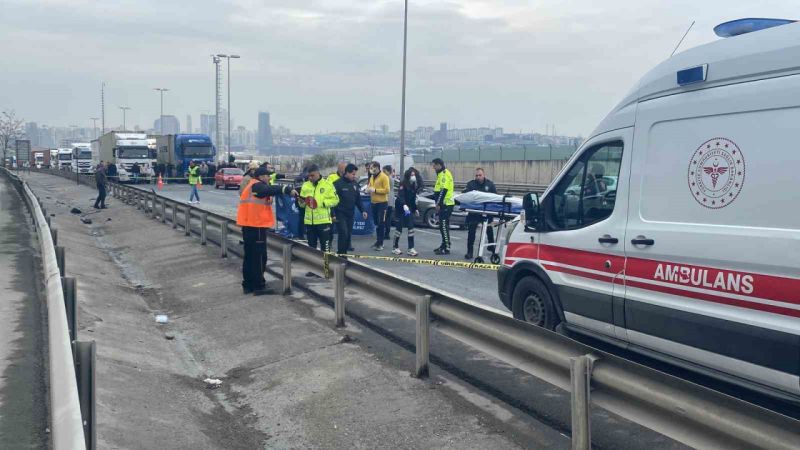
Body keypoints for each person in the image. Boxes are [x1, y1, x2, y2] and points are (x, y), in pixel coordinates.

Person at [237, 166, 298, 295]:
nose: (269, 178)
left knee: (249, 257)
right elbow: (269, 190)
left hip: (249, 226)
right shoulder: (257, 186)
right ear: (261, 177)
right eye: (267, 176)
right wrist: (286, 189)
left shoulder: (252, 186)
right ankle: (259, 286)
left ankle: (248, 285)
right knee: (259, 257)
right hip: (256, 226)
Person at [298, 165, 339, 252]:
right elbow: (302, 205)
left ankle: (326, 266)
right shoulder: (305, 185)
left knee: (326, 249)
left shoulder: (328, 184)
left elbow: (335, 200)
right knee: (311, 249)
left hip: (324, 223)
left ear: (318, 173)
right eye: (308, 176)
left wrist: (323, 203)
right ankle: (313, 265)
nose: (310, 178)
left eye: (312, 175)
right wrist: (301, 202)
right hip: (309, 223)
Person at [333, 163, 368, 255]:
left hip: (350, 214)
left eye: (355, 174)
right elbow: (332, 201)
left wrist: (363, 210)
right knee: (343, 233)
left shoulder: (355, 184)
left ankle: (344, 252)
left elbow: (358, 199)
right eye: (353, 174)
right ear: (347, 173)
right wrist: (333, 214)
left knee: (348, 234)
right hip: (340, 214)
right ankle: (341, 253)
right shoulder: (337, 184)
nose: (354, 176)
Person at [463, 168, 497, 260]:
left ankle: (491, 247)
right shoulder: (471, 184)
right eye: (476, 175)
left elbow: (495, 197)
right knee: (471, 232)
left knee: (489, 230)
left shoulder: (490, 185)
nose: (478, 177)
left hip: (487, 211)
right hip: (474, 212)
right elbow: (466, 195)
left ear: (484, 175)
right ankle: (470, 251)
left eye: (480, 175)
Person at [392, 167, 423, 256]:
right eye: (412, 175)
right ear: (408, 175)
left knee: (411, 227)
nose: (413, 176)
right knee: (399, 228)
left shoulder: (413, 184)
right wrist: (404, 205)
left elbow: (412, 198)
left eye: (414, 175)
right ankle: (395, 247)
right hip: (401, 208)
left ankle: (411, 248)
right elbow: (400, 196)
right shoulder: (403, 184)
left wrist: (415, 208)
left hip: (408, 209)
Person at [364, 161, 389, 251]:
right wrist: (367, 189)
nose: (371, 169)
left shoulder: (384, 177)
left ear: (377, 168)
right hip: (373, 203)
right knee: (376, 223)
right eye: (370, 168)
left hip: (382, 203)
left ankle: (380, 243)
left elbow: (387, 190)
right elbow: (370, 186)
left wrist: (375, 190)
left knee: (381, 223)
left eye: (372, 168)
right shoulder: (371, 177)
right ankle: (378, 241)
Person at [432, 158, 455, 255]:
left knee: (444, 226)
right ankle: (444, 244)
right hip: (444, 204)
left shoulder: (445, 174)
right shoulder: (440, 174)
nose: (433, 167)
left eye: (434, 165)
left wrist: (438, 203)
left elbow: (443, 190)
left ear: (439, 165)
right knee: (442, 226)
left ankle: (447, 247)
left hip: (446, 204)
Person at [383, 165, 395, 241]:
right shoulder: (391, 178)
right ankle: (387, 233)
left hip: (387, 200)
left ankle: (386, 234)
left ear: (388, 171)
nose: (383, 173)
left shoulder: (388, 178)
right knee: (388, 219)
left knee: (385, 218)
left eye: (384, 171)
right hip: (390, 201)